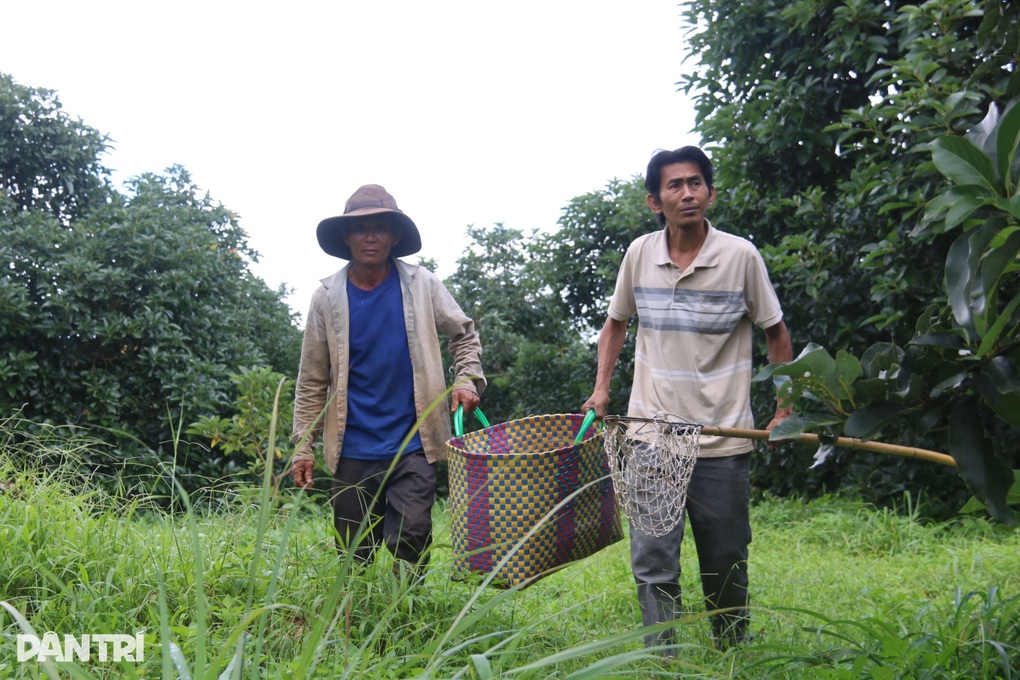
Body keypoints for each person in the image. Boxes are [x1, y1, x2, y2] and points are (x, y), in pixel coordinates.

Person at [582, 146, 793, 649]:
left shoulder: (740, 256)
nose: (687, 194)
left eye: (696, 183)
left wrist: (785, 407)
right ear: (655, 201)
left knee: (725, 555)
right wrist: (601, 388)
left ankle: (731, 648)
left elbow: (776, 333)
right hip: (653, 435)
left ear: (711, 193)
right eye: (675, 186)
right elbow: (616, 324)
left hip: (723, 437)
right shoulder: (640, 254)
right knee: (653, 555)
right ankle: (663, 654)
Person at [290, 184, 485, 577]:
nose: (371, 236)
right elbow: (312, 377)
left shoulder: (422, 284)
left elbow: (463, 334)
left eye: (380, 227)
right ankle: (355, 623)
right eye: (361, 229)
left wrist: (466, 378)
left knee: (412, 535)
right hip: (352, 447)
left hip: (414, 442)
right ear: (347, 237)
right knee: (354, 551)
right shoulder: (326, 297)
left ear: (395, 237)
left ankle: (404, 623)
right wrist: (302, 445)